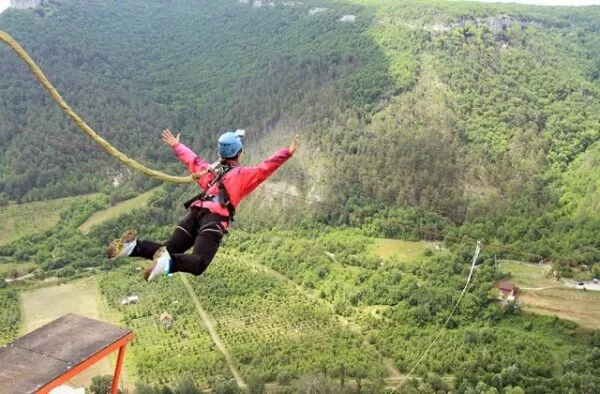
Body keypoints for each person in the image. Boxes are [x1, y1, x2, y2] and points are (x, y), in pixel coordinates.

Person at [107, 128, 299, 281]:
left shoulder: (209, 170)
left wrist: (176, 145)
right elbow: (264, 168)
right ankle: (167, 264)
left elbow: (192, 160)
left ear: (220, 153)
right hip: (213, 219)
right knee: (198, 264)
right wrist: (287, 153)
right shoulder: (242, 175)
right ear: (239, 153)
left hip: (194, 213)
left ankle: (131, 247)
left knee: (167, 249)